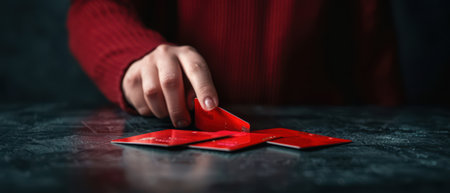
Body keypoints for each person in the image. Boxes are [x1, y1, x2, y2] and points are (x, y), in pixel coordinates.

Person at [68, 0, 402, 128]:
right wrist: (136, 56)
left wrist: (394, 140)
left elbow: (374, 56)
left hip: (321, 150)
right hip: (178, 137)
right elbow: (96, 8)